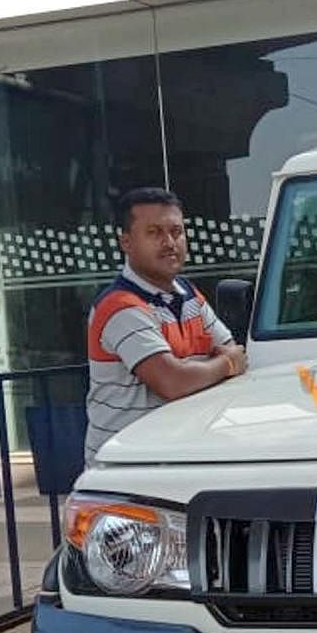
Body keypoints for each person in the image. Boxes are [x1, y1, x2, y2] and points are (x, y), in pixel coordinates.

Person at [85, 187, 247, 464]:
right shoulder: (120, 306)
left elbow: (233, 350)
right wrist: (224, 366)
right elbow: (172, 381)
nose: (170, 242)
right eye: (154, 233)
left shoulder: (188, 293)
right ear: (126, 242)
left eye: (176, 231)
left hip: (177, 455)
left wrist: (201, 369)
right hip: (125, 466)